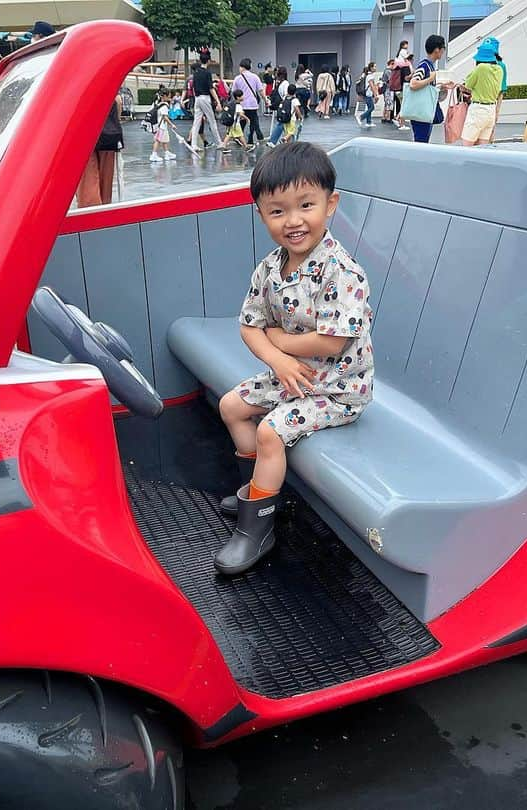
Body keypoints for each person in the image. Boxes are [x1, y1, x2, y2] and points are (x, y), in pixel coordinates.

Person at [214, 141, 374, 575]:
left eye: (306, 205)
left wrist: (279, 342)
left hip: (337, 388)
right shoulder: (270, 268)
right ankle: (257, 490)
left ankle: (256, 531)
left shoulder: (343, 272)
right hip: (292, 377)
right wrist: (278, 359)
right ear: (262, 214)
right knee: (231, 406)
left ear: (330, 204)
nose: (294, 220)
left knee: (269, 432)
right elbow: (249, 325)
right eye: (278, 210)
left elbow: (332, 343)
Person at [77, 95, 122, 207]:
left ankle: (91, 217)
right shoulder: (112, 92)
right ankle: (103, 214)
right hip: (108, 134)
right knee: (106, 184)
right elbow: (118, 102)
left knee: (88, 184)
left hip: (83, 135)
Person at [459, 38, 504, 146]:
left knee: (467, 146)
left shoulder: (481, 68)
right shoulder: (500, 69)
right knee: (482, 148)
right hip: (491, 111)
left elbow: (468, 84)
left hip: (478, 110)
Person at [407, 34, 447, 143]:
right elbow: (413, 84)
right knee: (421, 142)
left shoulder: (428, 65)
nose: (443, 51)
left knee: (422, 142)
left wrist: (440, 85)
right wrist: (430, 79)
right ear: (437, 50)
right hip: (421, 112)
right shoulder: (424, 66)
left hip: (423, 111)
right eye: (443, 48)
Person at [188, 50, 222, 152]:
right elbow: (211, 88)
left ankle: (193, 144)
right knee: (212, 121)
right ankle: (219, 142)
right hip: (205, 98)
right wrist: (218, 101)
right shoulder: (207, 73)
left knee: (196, 122)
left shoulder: (196, 73)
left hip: (197, 98)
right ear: (208, 61)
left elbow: (193, 87)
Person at [232, 58, 264, 146]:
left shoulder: (237, 78)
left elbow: (233, 91)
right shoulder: (255, 77)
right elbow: (260, 90)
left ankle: (239, 138)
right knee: (253, 122)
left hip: (242, 105)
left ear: (242, 67)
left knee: (241, 122)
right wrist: (266, 100)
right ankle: (250, 138)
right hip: (253, 104)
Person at [219, 88, 252, 153]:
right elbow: (240, 114)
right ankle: (246, 147)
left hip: (231, 123)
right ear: (238, 97)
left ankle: (224, 146)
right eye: (242, 95)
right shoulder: (238, 105)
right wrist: (247, 118)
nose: (243, 97)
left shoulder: (232, 104)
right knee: (240, 135)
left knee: (229, 135)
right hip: (235, 124)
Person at [266, 67, 290, 145]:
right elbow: (286, 94)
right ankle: (273, 141)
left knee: (282, 123)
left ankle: (277, 140)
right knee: (282, 123)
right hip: (284, 105)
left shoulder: (277, 82)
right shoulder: (285, 83)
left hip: (278, 104)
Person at [355, 61, 378, 128]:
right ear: (371, 68)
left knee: (369, 107)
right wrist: (375, 95)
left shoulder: (368, 75)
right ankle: (361, 117)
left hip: (366, 94)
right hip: (368, 94)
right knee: (372, 107)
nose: (376, 68)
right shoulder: (370, 76)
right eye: (375, 66)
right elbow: (372, 86)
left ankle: (368, 122)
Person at [380, 58, 396, 123]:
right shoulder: (389, 71)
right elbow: (391, 80)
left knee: (386, 103)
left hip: (386, 89)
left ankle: (384, 117)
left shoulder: (385, 70)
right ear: (391, 64)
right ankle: (388, 118)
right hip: (389, 89)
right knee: (389, 103)